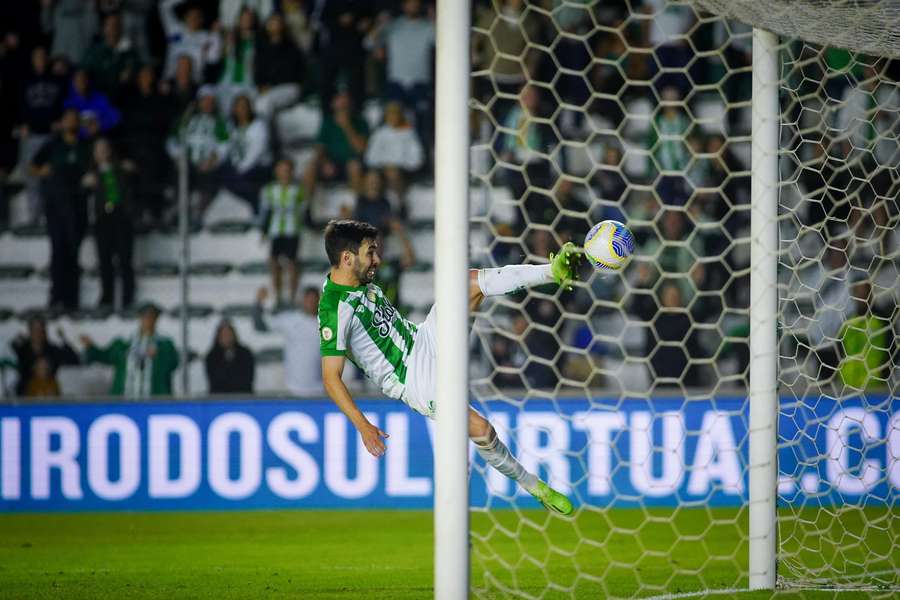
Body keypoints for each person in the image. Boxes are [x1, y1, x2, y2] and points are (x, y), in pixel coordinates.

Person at [317, 219, 580, 514]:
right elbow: (330, 377)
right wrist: (363, 425)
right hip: (412, 378)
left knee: (467, 283)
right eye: (370, 253)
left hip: (422, 337)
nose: (376, 260)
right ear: (347, 258)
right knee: (482, 430)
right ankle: (534, 486)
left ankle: (551, 271)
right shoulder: (333, 308)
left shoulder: (359, 280)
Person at [31, 108, 92, 310]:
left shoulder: (86, 146)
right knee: (58, 251)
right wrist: (43, 171)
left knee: (74, 252)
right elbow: (32, 167)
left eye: (75, 120)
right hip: (56, 206)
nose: (71, 123)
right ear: (63, 122)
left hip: (78, 206)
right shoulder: (53, 145)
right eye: (68, 119)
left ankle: (72, 299)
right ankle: (56, 296)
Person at [81, 303, 180, 398]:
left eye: (152, 317)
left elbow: (174, 364)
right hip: (124, 399)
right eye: (145, 317)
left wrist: (159, 354)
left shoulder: (165, 344)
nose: (148, 320)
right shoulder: (124, 342)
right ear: (139, 318)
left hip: (154, 400)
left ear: (156, 319)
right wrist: (91, 347)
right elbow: (105, 357)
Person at [82, 138, 136, 310]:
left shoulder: (121, 168)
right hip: (102, 219)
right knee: (105, 260)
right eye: (98, 150)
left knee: (125, 259)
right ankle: (107, 297)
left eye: (104, 148)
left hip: (121, 217)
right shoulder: (91, 173)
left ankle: (128, 298)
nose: (102, 153)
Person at [253, 286, 324, 396]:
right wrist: (258, 303)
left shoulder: (327, 324)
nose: (311, 302)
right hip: (292, 389)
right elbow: (261, 326)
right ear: (302, 300)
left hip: (319, 390)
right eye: (308, 299)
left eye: (314, 299)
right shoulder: (290, 319)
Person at [258, 158, 307, 306]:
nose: (285, 173)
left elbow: (304, 211)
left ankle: (292, 297)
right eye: (282, 170)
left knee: (292, 263)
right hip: (276, 230)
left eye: (287, 170)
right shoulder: (269, 190)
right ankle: (278, 297)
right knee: (274, 262)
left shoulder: (298, 190)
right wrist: (264, 231)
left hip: (292, 231)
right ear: (276, 172)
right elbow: (266, 211)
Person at [305, 89, 368, 195]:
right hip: (331, 164)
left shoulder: (361, 122)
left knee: (354, 166)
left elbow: (360, 150)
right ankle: (307, 206)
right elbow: (319, 149)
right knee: (311, 166)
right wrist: (325, 162)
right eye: (340, 99)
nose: (343, 103)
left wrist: (347, 126)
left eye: (346, 100)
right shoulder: (327, 122)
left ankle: (358, 204)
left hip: (352, 163)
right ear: (333, 104)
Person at [364, 101, 424, 204]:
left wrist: (398, 165)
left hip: (404, 171)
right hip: (382, 169)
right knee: (372, 177)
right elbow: (370, 157)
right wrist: (386, 165)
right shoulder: (380, 133)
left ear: (400, 115)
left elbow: (417, 159)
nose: (393, 117)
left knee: (394, 174)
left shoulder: (409, 132)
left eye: (395, 113)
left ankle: (399, 206)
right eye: (390, 114)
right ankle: (372, 207)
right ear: (386, 116)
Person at [220, 93, 271, 211]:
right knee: (220, 172)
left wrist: (241, 169)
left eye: (244, 106)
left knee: (240, 180)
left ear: (250, 108)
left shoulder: (259, 126)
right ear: (234, 109)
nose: (242, 109)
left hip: (258, 167)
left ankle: (257, 206)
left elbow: (256, 153)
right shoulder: (230, 126)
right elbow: (225, 147)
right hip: (237, 168)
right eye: (239, 106)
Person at [253, 12, 306, 122]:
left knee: (264, 103)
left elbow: (294, 71)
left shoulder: (291, 46)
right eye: (271, 22)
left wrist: (270, 85)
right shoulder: (262, 47)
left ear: (282, 25)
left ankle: (268, 138)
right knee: (256, 102)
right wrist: (261, 85)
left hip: (290, 86)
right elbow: (258, 71)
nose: (274, 24)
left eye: (277, 22)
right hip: (269, 89)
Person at [11, 315, 79, 397]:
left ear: (44, 332)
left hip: (50, 392)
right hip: (26, 394)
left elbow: (75, 360)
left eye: (40, 330)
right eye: (34, 330)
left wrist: (63, 339)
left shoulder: (52, 350)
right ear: (30, 331)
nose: (37, 333)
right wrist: (15, 341)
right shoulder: (22, 350)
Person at [159, 0, 222, 84]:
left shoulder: (205, 37)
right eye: (190, 16)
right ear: (185, 18)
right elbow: (164, 6)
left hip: (195, 82)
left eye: (197, 17)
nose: (193, 19)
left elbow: (213, 59)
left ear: (201, 20)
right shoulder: (175, 30)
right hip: (171, 80)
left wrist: (216, 35)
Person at [205, 319, 255, 394]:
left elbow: (247, 379)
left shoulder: (246, 354)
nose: (226, 337)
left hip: (242, 398)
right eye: (223, 335)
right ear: (218, 337)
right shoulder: (211, 357)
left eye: (228, 334)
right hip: (219, 400)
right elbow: (214, 381)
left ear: (234, 335)